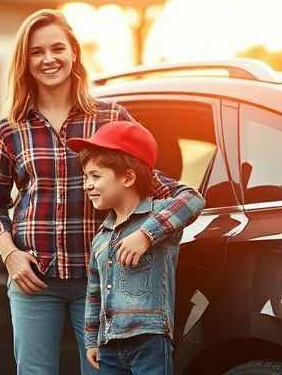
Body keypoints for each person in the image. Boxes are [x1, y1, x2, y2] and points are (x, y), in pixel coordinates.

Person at [0, 8, 203, 375]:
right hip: (35, 281)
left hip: (100, 281)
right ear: (25, 61)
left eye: (57, 48)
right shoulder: (10, 129)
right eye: (36, 52)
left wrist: (147, 233)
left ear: (74, 53)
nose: (48, 59)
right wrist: (10, 255)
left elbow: (153, 184)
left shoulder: (110, 118)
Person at [67, 120, 205, 374]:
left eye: (95, 176)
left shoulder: (157, 216)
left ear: (128, 177)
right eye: (85, 176)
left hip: (149, 339)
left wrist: (145, 235)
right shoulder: (101, 236)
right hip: (108, 344)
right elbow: (94, 292)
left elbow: (193, 199)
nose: (86, 184)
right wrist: (91, 340)